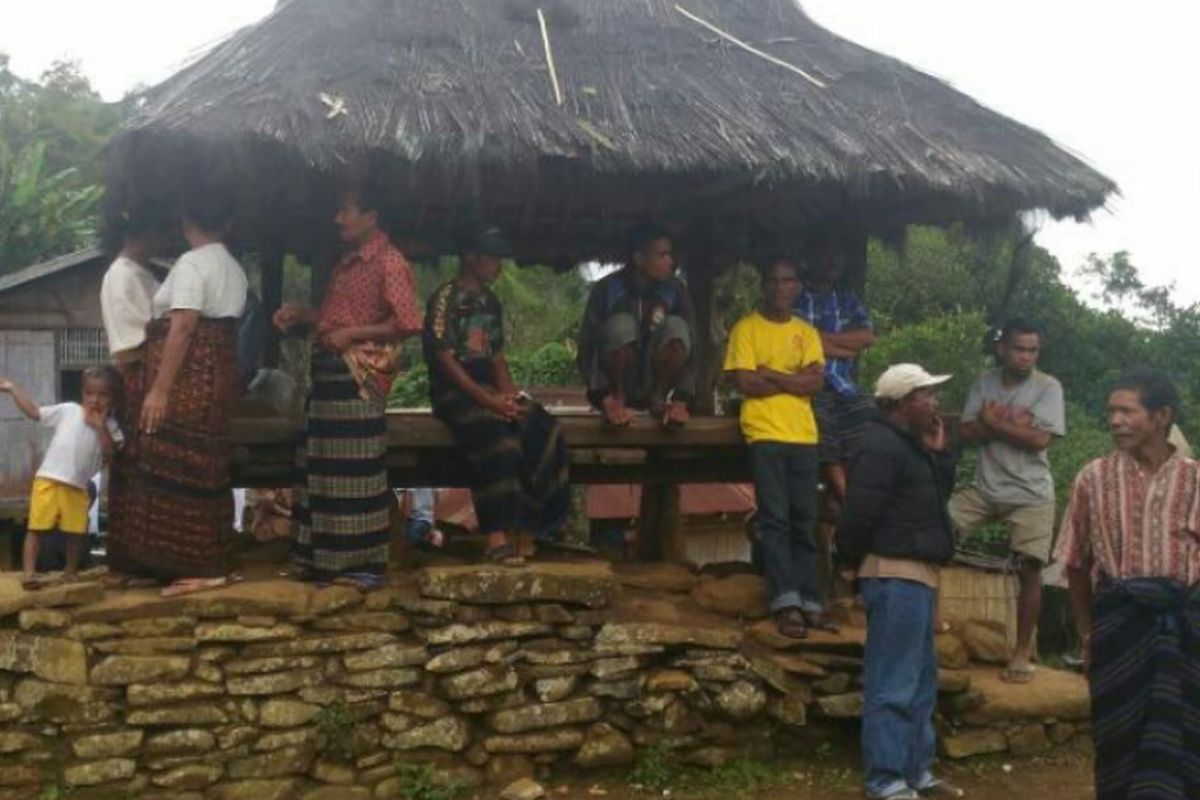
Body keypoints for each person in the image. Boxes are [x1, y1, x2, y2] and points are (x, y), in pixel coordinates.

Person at [1056, 368, 1200, 800]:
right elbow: (1077, 562)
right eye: (1111, 412)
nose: (1115, 420)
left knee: (1188, 739)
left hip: (1187, 631)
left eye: (1127, 411)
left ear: (1161, 416)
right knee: (1117, 738)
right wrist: (1088, 632)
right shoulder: (1092, 478)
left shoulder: (1195, 479)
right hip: (1119, 629)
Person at [275, 181, 422, 587]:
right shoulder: (347, 261)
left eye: (347, 210)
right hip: (329, 376)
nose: (338, 218)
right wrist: (303, 315)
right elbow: (333, 318)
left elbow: (409, 322)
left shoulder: (389, 262)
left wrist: (355, 333)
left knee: (356, 470)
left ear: (371, 217)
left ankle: (362, 564)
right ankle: (321, 559)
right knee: (321, 467)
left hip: (358, 378)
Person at [835, 364, 962, 800]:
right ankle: (887, 779)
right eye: (927, 395)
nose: (935, 403)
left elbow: (931, 504)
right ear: (904, 401)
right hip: (894, 574)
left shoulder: (909, 446)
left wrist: (939, 454)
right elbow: (859, 511)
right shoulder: (880, 446)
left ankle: (916, 771)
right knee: (894, 681)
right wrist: (848, 561)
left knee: (921, 680)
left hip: (917, 577)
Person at [120, 183, 248, 596]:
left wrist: (159, 390)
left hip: (188, 380)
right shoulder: (233, 266)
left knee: (172, 459)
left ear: (186, 221)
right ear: (227, 222)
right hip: (216, 377)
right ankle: (174, 562)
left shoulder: (194, 264)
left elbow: (185, 325)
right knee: (202, 462)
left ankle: (200, 565)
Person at [423, 225, 570, 565]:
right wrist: (488, 402)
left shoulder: (491, 302)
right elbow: (445, 361)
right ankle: (496, 536)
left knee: (544, 427)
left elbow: (498, 358)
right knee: (500, 444)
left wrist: (510, 400)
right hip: (453, 390)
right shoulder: (444, 299)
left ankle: (533, 525)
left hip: (488, 387)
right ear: (470, 258)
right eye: (492, 258)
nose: (499, 265)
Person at [950, 318, 1064, 683]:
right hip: (985, 488)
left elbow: (1040, 441)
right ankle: (932, 626)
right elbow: (965, 432)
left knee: (1029, 568)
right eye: (1019, 348)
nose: (1026, 356)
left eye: (1032, 350)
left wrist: (993, 422)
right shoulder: (985, 382)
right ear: (1002, 348)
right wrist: (1007, 426)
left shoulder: (1048, 386)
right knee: (934, 530)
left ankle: (1020, 653)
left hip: (1032, 494)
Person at [723, 258, 827, 637]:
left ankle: (811, 598)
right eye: (774, 280)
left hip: (804, 434)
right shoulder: (746, 329)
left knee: (805, 519)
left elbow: (815, 385)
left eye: (789, 280)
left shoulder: (807, 331)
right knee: (776, 518)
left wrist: (771, 373)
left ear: (798, 286)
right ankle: (786, 601)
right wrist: (793, 380)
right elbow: (746, 384)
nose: (781, 287)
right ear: (764, 286)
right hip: (765, 432)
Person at [0, 369, 123, 589]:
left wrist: (99, 426)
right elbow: (35, 413)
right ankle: (29, 574)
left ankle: (70, 572)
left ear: (113, 399)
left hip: (77, 487)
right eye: (89, 393)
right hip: (48, 480)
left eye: (102, 395)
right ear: (82, 394)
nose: (94, 400)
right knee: (36, 528)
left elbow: (109, 455)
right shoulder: (69, 411)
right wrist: (12, 389)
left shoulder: (111, 427)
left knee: (76, 532)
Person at [99, 203, 168, 586]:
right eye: (157, 231)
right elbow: (131, 346)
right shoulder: (121, 277)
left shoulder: (143, 274)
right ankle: (138, 560)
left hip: (148, 376)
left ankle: (146, 557)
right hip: (138, 376)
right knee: (142, 470)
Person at [577, 223, 696, 427]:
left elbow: (693, 347)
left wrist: (682, 400)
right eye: (662, 255)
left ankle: (658, 400)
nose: (670, 261)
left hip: (654, 379)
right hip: (614, 385)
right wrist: (605, 399)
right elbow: (587, 350)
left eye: (671, 255)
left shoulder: (676, 291)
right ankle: (618, 400)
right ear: (639, 259)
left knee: (677, 328)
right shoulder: (606, 289)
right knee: (621, 326)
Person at [793, 237, 876, 506]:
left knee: (868, 424)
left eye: (837, 257)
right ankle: (847, 500)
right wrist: (842, 345)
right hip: (811, 384)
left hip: (844, 385)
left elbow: (866, 337)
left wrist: (822, 340)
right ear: (811, 260)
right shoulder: (796, 297)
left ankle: (840, 498)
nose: (833, 263)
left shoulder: (846, 298)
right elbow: (797, 340)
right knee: (824, 436)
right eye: (826, 256)